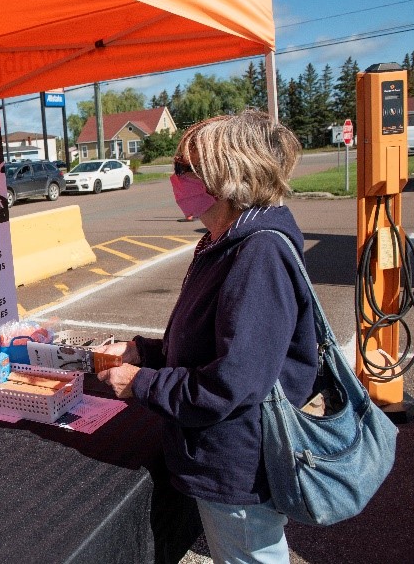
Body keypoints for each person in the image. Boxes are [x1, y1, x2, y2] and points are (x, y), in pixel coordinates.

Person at [97, 110, 319, 563]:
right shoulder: (224, 239)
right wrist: (145, 351)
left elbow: (232, 382)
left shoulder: (259, 252)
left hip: (239, 461)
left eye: (184, 168)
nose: (174, 178)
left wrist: (140, 382)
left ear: (225, 174)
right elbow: (211, 344)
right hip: (218, 451)